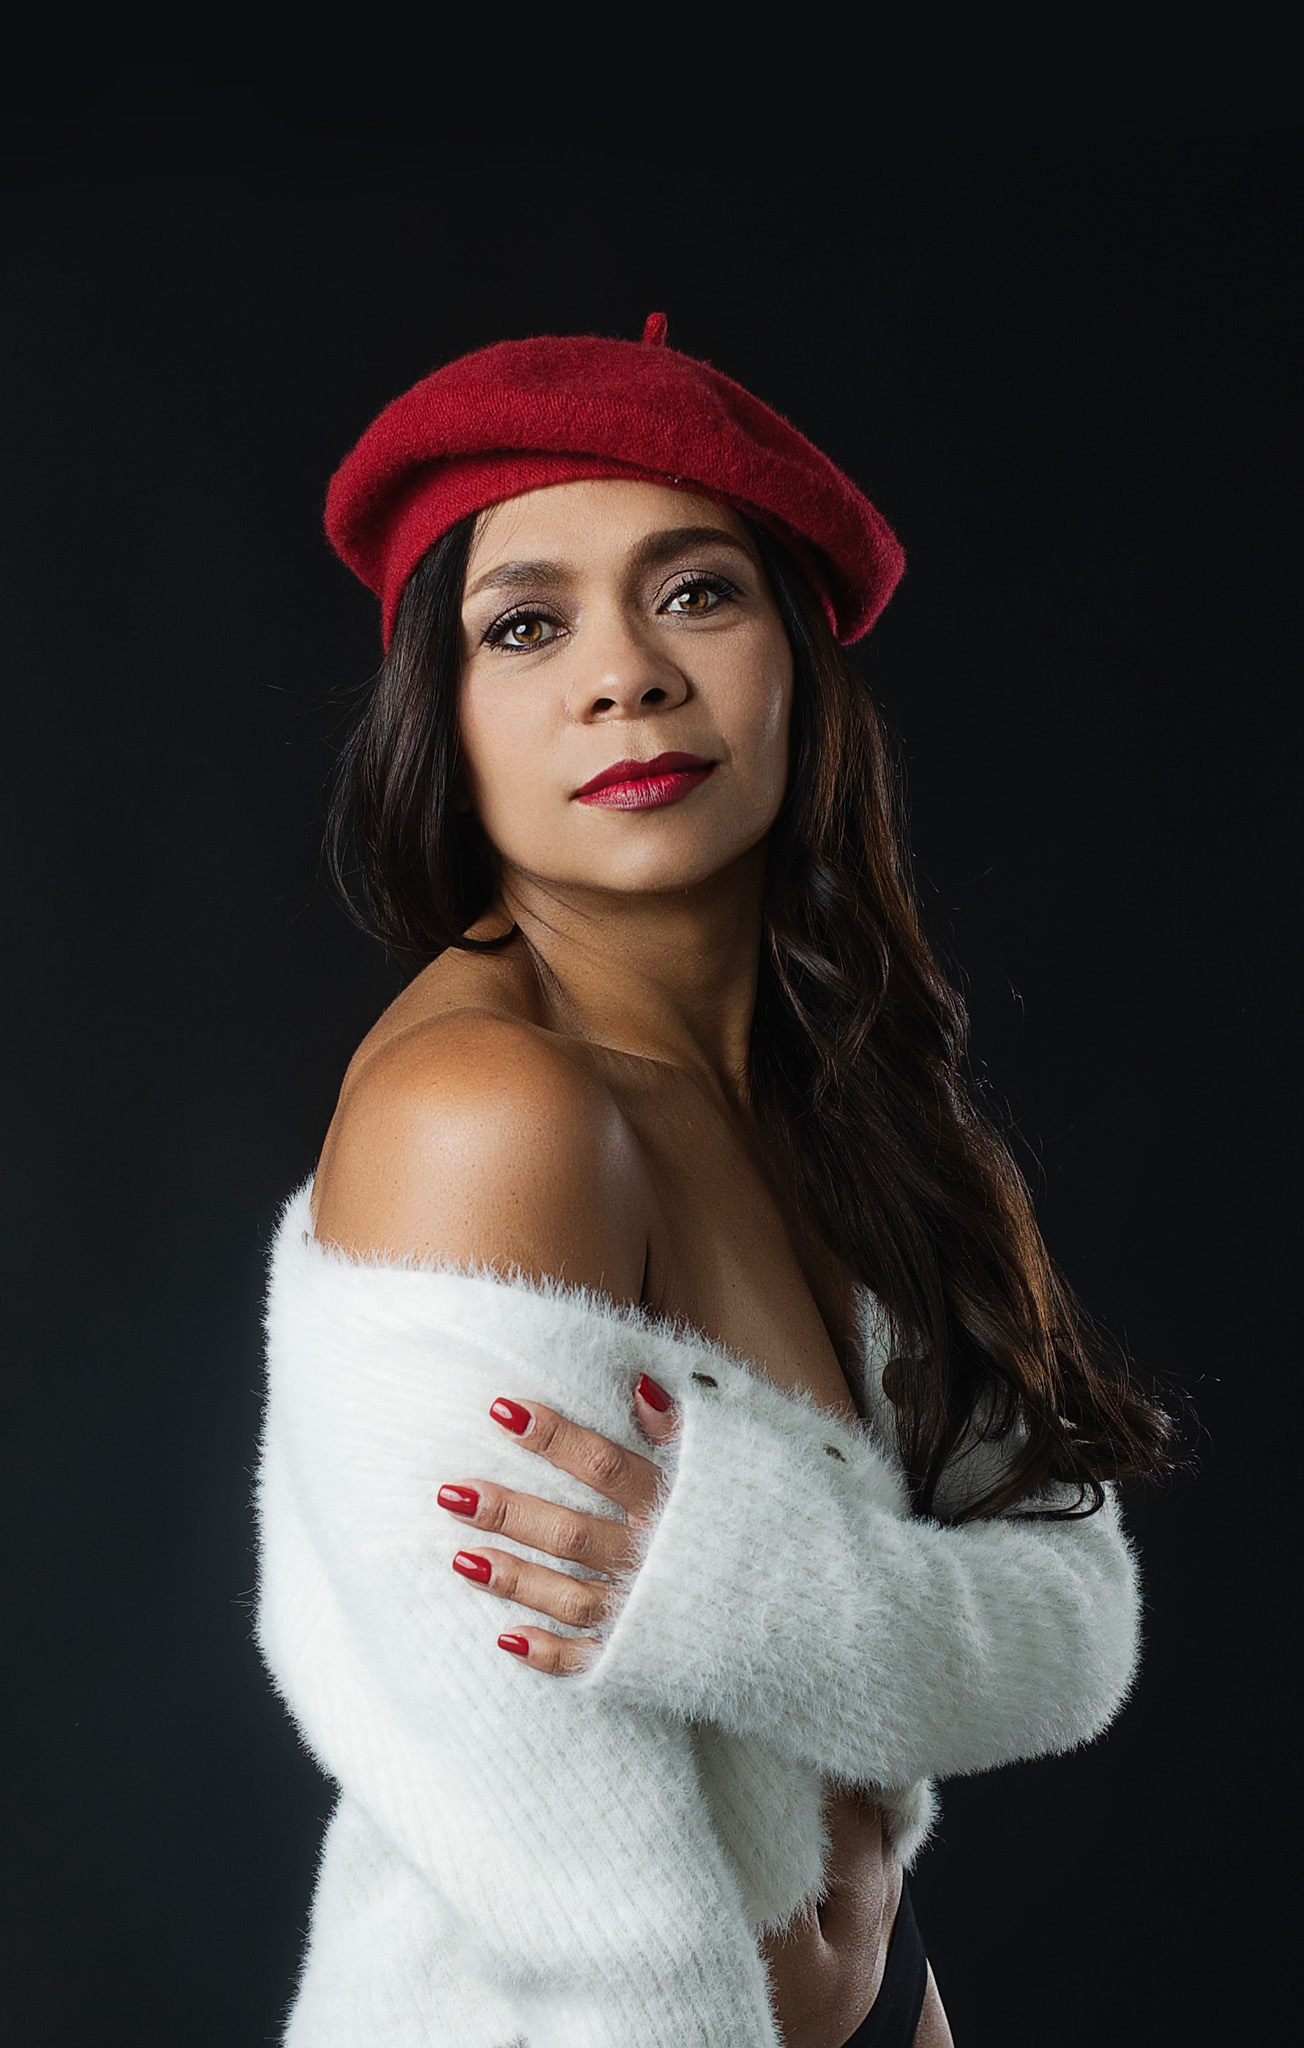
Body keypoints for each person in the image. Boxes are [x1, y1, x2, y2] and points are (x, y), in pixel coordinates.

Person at [255, 316, 1174, 2048]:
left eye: (695, 594)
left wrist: (739, 1592)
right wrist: (856, 1616)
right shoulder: (487, 1115)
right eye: (525, 624)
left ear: (798, 661)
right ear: (440, 715)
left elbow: (1079, 1622)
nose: (626, 675)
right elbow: (576, 1907)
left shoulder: (854, 1112)